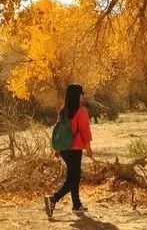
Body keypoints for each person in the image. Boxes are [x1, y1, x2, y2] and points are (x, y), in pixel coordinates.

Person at [44, 83, 94, 218]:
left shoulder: (63, 110)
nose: (82, 97)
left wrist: (57, 149)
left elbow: (59, 131)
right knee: (73, 178)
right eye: (81, 94)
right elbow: (85, 130)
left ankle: (76, 204)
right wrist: (88, 148)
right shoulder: (81, 110)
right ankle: (53, 198)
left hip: (65, 149)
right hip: (75, 148)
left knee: (73, 176)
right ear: (77, 95)